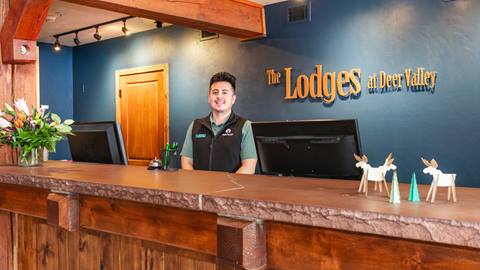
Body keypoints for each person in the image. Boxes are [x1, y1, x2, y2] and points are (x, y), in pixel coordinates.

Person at [180, 72, 257, 174]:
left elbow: (249, 166)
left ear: (233, 99)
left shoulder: (245, 126)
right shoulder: (195, 125)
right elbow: (186, 162)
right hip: (199, 188)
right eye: (215, 92)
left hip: (233, 189)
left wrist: (228, 188)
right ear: (209, 97)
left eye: (224, 92)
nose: (219, 96)